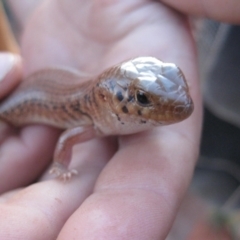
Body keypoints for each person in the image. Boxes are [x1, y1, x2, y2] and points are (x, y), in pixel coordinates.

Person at [0, 0, 239, 239]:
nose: (181, 103)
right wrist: (61, 166)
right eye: (143, 98)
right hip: (17, 105)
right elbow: (66, 138)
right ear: (105, 98)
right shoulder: (89, 118)